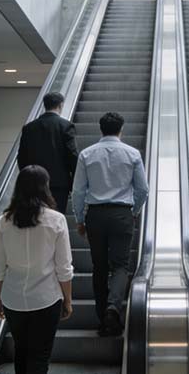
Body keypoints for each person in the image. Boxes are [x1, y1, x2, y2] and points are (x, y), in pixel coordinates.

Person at [72, 112, 149, 336]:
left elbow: (78, 191)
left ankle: (101, 318)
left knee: (99, 266)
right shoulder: (132, 153)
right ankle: (113, 308)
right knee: (120, 265)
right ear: (121, 129)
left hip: (95, 215)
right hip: (122, 214)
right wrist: (133, 211)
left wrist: (79, 219)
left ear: (101, 129)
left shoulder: (86, 154)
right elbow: (143, 189)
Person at [0, 165, 74, 374]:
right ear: (45, 188)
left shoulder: (4, 222)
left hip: (13, 299)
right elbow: (64, 267)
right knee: (39, 356)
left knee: (21, 351)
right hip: (47, 299)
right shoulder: (57, 220)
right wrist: (68, 299)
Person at [18, 92, 78, 213]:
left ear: (45, 105)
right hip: (58, 184)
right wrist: (73, 182)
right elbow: (72, 155)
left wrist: (27, 178)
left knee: (34, 216)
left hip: (33, 183)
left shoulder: (29, 128)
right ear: (60, 105)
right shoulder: (66, 126)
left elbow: (21, 157)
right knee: (55, 216)